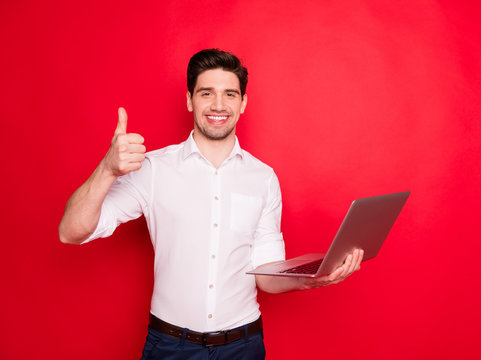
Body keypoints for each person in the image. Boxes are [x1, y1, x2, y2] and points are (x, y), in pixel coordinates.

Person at [59, 49, 363, 359]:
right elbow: (71, 231)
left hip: (244, 346)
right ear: (190, 100)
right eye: (207, 93)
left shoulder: (264, 178)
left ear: (242, 103)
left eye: (229, 94)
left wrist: (310, 279)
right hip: (170, 347)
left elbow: (266, 276)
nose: (219, 105)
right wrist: (107, 169)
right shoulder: (153, 169)